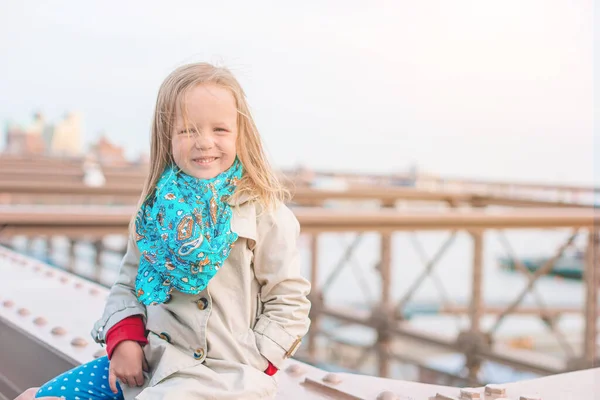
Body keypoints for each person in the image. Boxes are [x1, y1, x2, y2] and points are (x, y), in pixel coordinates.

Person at [20, 62, 312, 400]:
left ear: (240, 134)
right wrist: (125, 338)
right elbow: (127, 284)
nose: (204, 142)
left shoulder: (266, 213)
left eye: (220, 130)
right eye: (188, 130)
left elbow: (288, 298)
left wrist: (261, 359)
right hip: (152, 363)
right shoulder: (154, 211)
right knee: (34, 396)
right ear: (167, 137)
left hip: (224, 375)